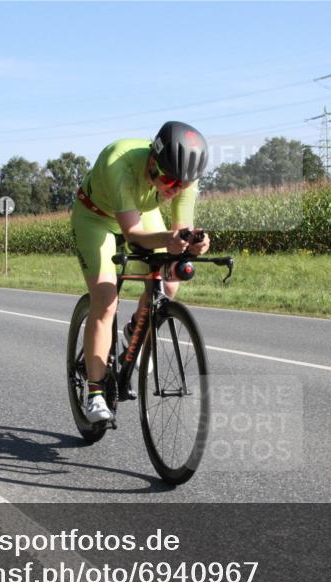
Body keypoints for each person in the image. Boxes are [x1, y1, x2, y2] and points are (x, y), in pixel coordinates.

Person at [72, 121, 211, 422]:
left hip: (143, 213)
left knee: (169, 282)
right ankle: (95, 392)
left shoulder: (184, 179)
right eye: (169, 182)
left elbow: (179, 231)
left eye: (182, 186)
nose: (173, 191)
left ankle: (134, 329)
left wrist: (192, 243)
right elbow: (133, 234)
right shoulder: (118, 162)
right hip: (95, 219)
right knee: (106, 298)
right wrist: (170, 241)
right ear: (152, 159)